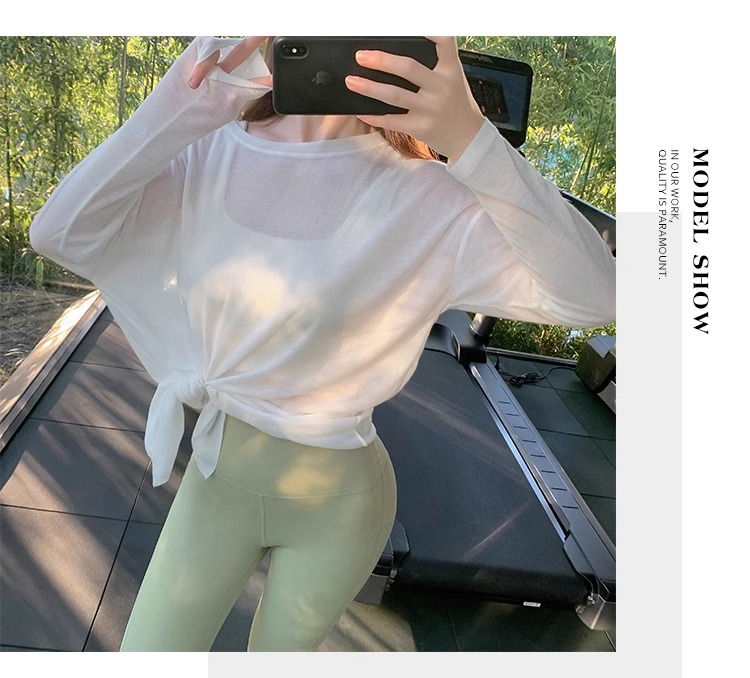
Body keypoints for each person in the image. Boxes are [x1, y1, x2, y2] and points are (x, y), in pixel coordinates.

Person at [29, 36, 616, 652]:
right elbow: (60, 233)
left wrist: (473, 139)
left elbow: (598, 298)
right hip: (218, 479)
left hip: (341, 505)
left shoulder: (433, 198)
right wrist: (188, 101)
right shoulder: (209, 151)